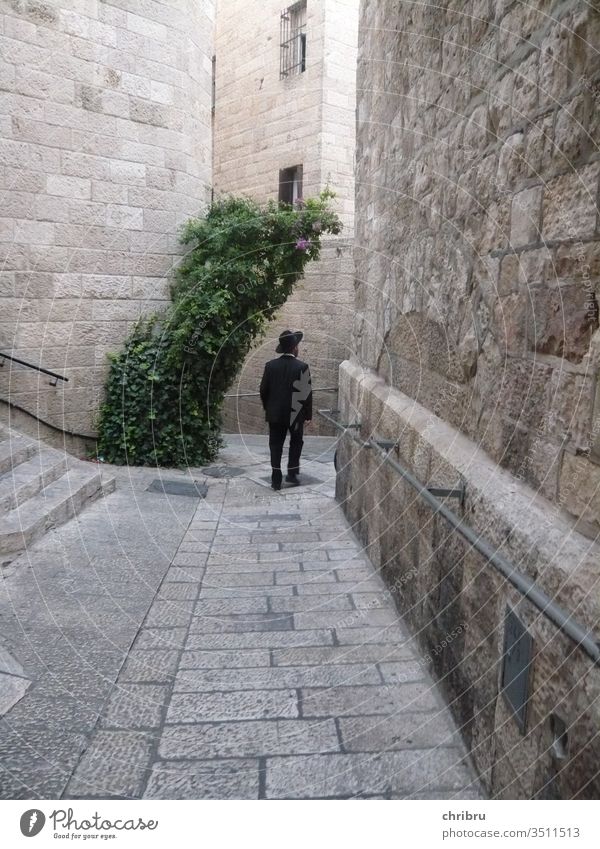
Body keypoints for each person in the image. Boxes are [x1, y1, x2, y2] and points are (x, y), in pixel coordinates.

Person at [259, 329, 313, 491]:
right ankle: (292, 473)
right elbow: (306, 393)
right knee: (296, 442)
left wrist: (268, 407)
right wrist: (308, 415)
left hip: (275, 414)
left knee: (275, 445)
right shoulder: (302, 367)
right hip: (295, 415)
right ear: (294, 348)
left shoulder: (270, 366)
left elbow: (263, 390)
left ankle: (276, 479)